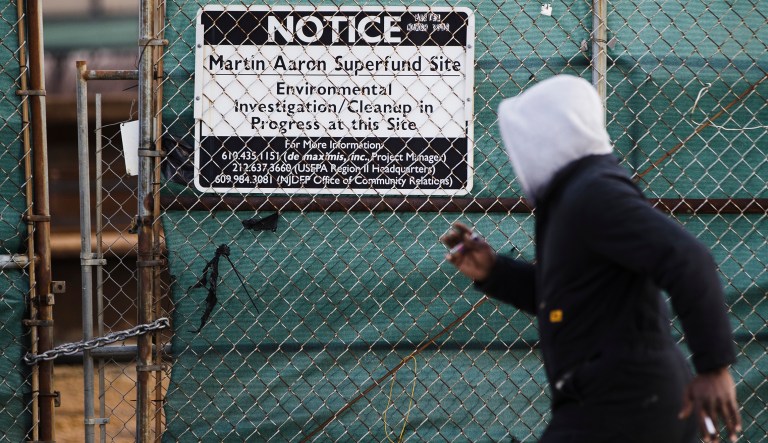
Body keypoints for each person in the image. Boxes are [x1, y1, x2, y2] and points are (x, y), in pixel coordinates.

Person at [441, 75, 741, 443]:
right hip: (621, 398)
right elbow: (573, 297)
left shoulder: (593, 193)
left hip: (626, 401)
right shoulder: (572, 197)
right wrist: (495, 272)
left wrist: (713, 367)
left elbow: (688, 257)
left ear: (550, 137)